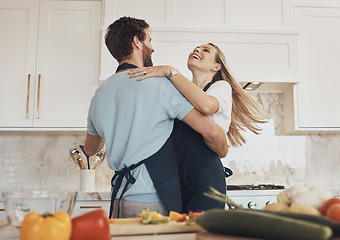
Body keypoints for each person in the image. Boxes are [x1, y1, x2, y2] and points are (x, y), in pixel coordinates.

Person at [84, 17, 228, 218]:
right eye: (149, 41)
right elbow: (211, 132)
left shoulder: (99, 94)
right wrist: (223, 150)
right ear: (136, 42)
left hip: (119, 199)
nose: (152, 49)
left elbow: (91, 149)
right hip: (154, 200)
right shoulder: (160, 86)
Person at [128, 43, 268, 211]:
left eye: (205, 50)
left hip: (205, 175)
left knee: (202, 232)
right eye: (196, 48)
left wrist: (169, 71)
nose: (197, 50)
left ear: (216, 66)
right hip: (176, 175)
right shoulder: (178, 92)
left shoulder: (220, 87)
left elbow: (207, 106)